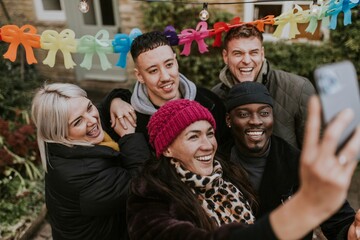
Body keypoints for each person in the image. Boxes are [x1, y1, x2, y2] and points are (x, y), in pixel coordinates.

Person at [126, 98, 360, 240]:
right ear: (167, 149)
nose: (208, 145)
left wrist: (349, 232)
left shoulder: (228, 173)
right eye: (193, 137)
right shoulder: (149, 195)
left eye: (209, 133)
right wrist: (301, 210)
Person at [224, 81, 360, 239]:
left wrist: (352, 232)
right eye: (243, 114)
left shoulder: (298, 162)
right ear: (228, 120)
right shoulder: (216, 163)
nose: (256, 121)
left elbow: (338, 220)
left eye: (264, 113)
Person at [31, 83, 150, 240]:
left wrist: (116, 101)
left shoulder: (67, 142)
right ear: (59, 133)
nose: (92, 120)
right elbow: (144, 185)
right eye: (77, 122)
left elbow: (101, 107)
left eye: (88, 107)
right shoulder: (80, 177)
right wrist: (129, 137)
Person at [98, 31, 229, 149]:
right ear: (139, 76)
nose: (165, 77)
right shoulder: (128, 119)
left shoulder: (209, 102)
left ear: (176, 62)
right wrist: (113, 100)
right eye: (153, 70)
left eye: (169, 65)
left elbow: (226, 149)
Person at [212, 24, 316, 149]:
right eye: (238, 53)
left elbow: (316, 150)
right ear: (225, 56)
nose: (246, 60)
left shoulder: (298, 89)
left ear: (262, 53)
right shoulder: (215, 97)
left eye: (253, 52)